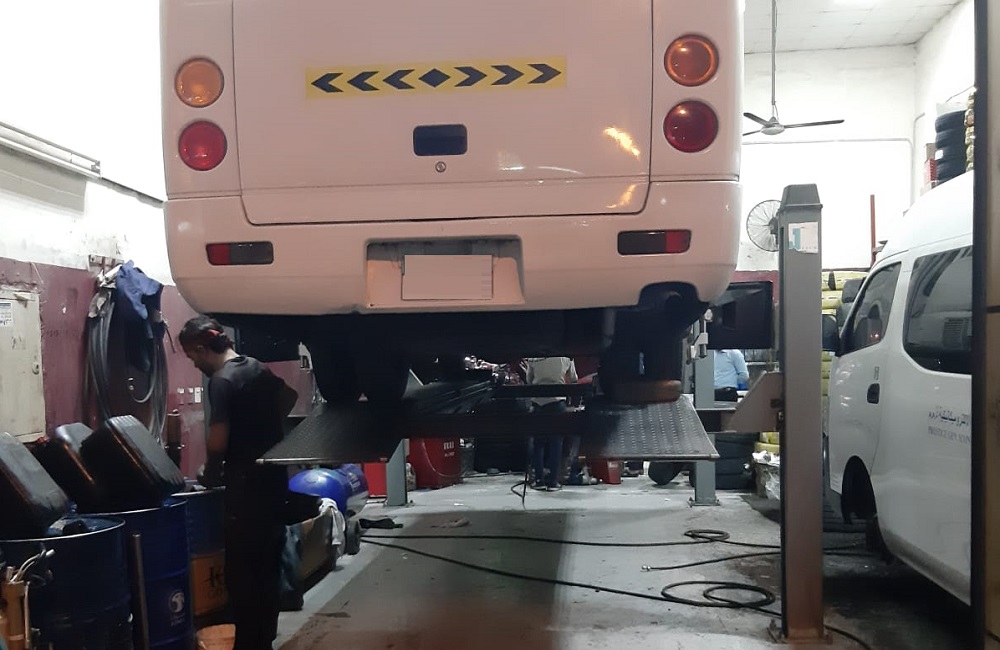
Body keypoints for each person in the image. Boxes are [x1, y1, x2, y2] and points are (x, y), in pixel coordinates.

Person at [179, 316, 298, 650]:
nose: (194, 363)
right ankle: (265, 641)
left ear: (201, 348)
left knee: (243, 577)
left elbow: (218, 441)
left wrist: (210, 470)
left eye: (191, 356)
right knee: (268, 569)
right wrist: (262, 426)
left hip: (245, 491)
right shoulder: (256, 367)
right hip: (273, 480)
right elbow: (288, 397)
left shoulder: (222, 381)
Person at [525, 357, 578, 491]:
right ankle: (553, 482)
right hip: (557, 402)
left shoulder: (533, 356)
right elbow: (574, 378)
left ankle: (539, 480)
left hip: (538, 402)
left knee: (538, 443)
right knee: (556, 443)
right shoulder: (566, 356)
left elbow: (529, 380)